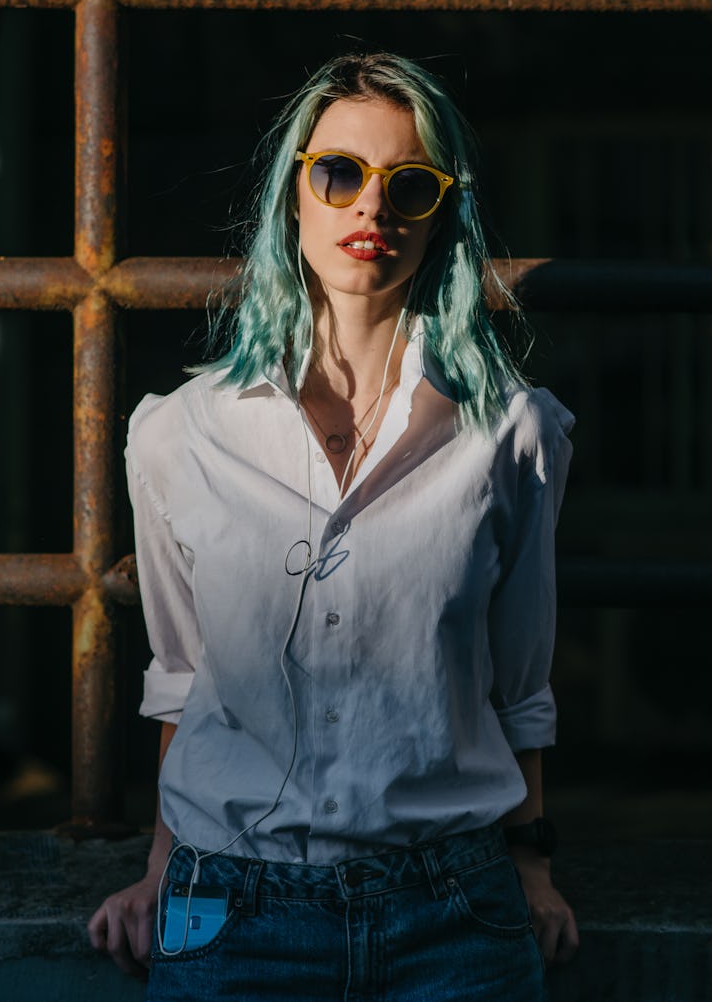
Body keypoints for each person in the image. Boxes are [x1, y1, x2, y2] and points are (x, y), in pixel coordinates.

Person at [88, 51, 579, 1000]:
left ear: (443, 214)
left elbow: (520, 682)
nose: (372, 208)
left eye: (410, 184)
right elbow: (186, 682)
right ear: (293, 196)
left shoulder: (511, 432)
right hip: (231, 904)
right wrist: (161, 866)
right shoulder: (177, 434)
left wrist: (532, 865)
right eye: (340, 174)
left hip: (454, 911)